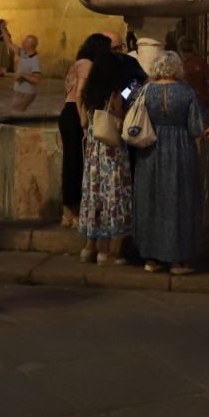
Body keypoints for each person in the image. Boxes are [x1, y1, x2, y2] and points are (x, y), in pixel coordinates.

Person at [133, 50, 208, 273]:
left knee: (151, 199)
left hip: (150, 149)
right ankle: (176, 259)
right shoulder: (186, 92)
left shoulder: (146, 91)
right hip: (180, 150)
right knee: (178, 201)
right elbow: (197, 127)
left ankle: (151, 258)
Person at [77, 51, 139, 265]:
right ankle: (109, 252)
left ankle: (89, 248)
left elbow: (84, 122)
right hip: (112, 153)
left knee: (94, 198)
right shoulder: (115, 93)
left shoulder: (88, 93)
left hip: (94, 153)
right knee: (114, 197)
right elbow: (120, 119)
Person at [58, 34, 106, 229]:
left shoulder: (78, 63)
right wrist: (83, 119)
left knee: (71, 162)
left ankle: (67, 213)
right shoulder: (86, 64)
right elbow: (79, 93)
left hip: (67, 112)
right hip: (75, 113)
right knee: (75, 163)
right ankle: (74, 211)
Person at [10, 34, 43, 113]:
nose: (22, 43)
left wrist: (22, 75)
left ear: (31, 46)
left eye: (25, 42)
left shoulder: (35, 60)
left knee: (16, 113)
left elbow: (37, 80)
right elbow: (10, 44)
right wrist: (2, 30)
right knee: (15, 112)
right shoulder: (23, 53)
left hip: (25, 93)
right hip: (19, 91)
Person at [178, 37, 209, 110]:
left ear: (181, 50)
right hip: (202, 101)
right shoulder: (202, 62)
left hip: (186, 102)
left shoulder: (181, 65)